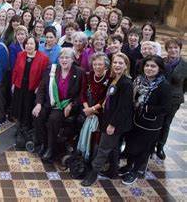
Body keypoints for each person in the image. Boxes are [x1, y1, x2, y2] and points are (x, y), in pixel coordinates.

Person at [82, 53, 134, 186]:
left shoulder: (126, 83)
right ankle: (113, 171)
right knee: (115, 147)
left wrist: (112, 125)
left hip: (115, 122)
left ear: (126, 66)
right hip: (109, 118)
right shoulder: (113, 79)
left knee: (103, 148)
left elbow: (123, 108)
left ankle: (93, 174)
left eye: (120, 63)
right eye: (115, 63)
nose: (117, 65)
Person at [120, 55, 171, 185]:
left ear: (159, 68)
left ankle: (135, 171)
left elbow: (165, 108)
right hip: (135, 119)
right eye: (147, 65)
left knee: (144, 149)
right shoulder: (138, 80)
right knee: (131, 144)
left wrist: (146, 108)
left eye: (153, 66)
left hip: (150, 124)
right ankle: (128, 165)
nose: (149, 68)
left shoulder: (163, 85)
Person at [32, 48, 84, 162]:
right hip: (49, 101)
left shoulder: (79, 72)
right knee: (37, 115)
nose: (64, 60)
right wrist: (39, 104)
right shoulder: (52, 69)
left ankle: (51, 148)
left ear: (72, 59)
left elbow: (81, 94)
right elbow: (41, 88)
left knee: (53, 119)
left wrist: (71, 104)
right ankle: (44, 144)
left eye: (67, 58)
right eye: (62, 57)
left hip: (65, 105)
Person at [11, 36, 49, 148]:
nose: (29, 46)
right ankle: (19, 127)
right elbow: (16, 70)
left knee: (28, 107)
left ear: (36, 45)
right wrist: (13, 83)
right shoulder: (20, 55)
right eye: (27, 44)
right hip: (19, 85)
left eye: (31, 44)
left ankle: (26, 129)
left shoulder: (43, 58)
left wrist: (39, 87)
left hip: (33, 88)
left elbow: (44, 75)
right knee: (19, 106)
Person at [157, 39, 187, 159]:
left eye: (175, 48)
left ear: (180, 49)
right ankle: (151, 144)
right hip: (159, 97)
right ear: (167, 49)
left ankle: (160, 146)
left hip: (174, 99)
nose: (173, 50)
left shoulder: (185, 66)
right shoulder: (162, 62)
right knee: (157, 121)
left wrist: (179, 93)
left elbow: (185, 85)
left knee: (166, 123)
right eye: (170, 48)